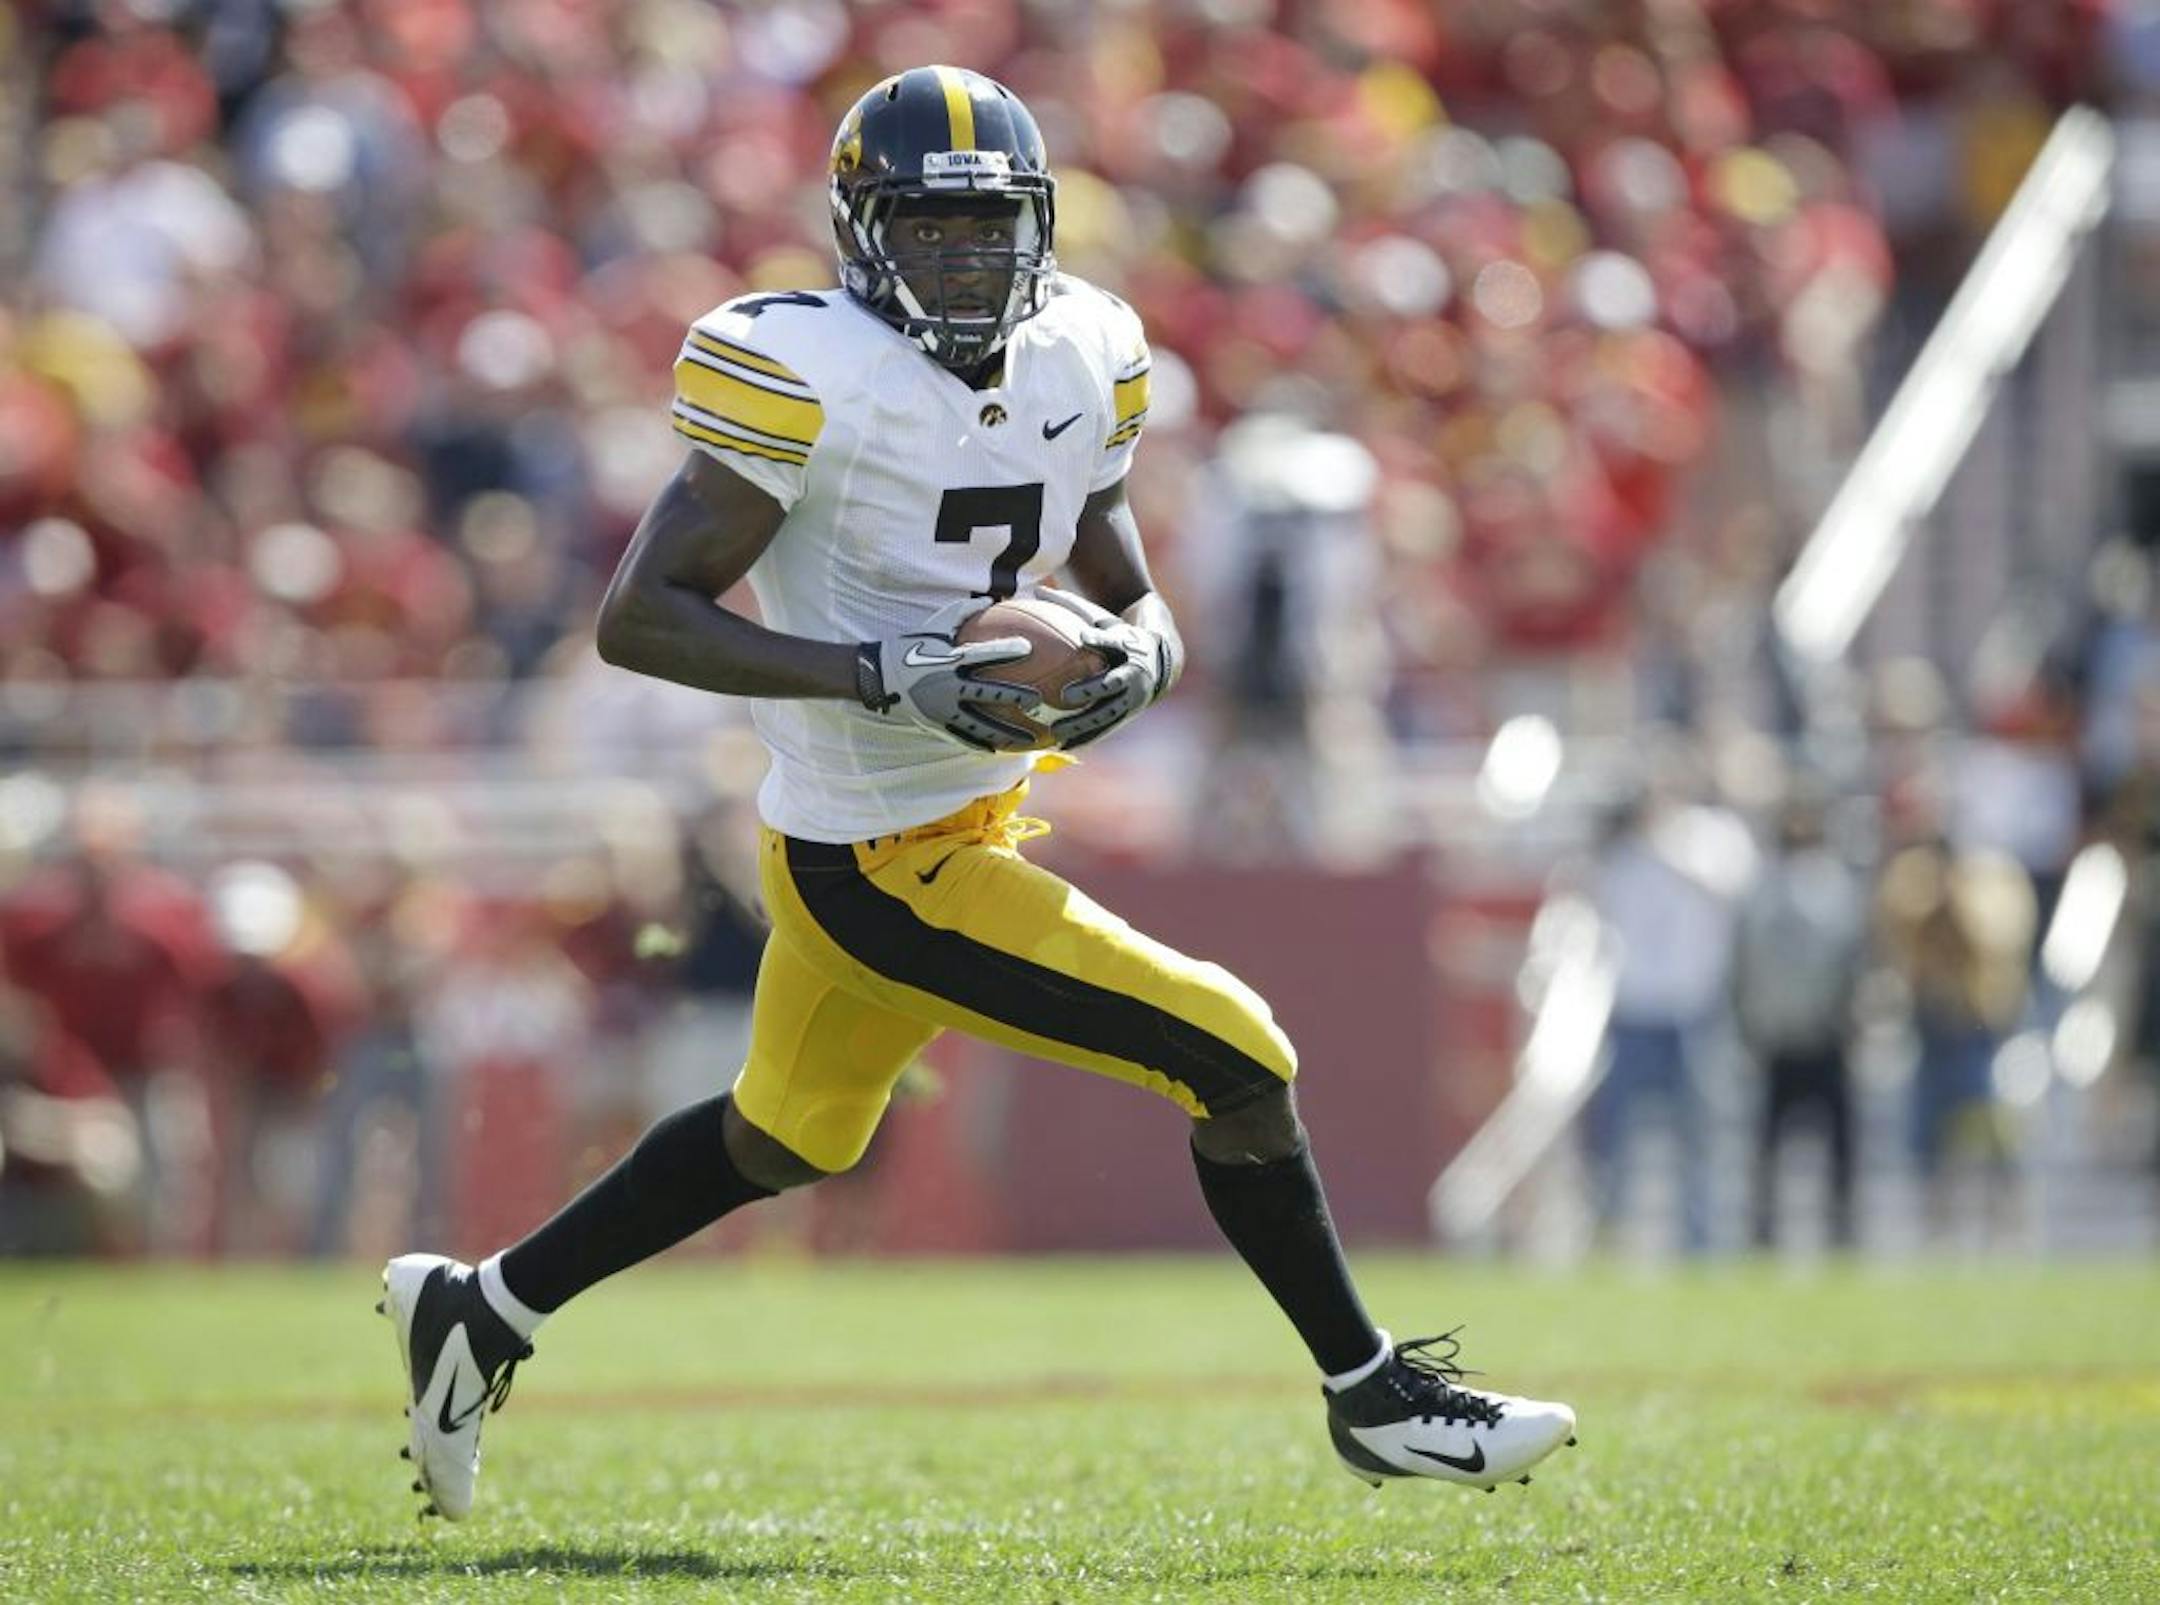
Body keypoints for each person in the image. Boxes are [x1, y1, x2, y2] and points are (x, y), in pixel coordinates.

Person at [378, 66, 1575, 1522]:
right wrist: (878, 670)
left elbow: (1124, 570)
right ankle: (1372, 1391)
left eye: (993, 230)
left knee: (784, 1135)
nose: (968, 259)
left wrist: (1148, 652)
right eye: (931, 232)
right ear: (859, 235)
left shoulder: (1081, 349)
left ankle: (481, 1308)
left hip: (950, 822)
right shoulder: (812, 370)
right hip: (877, 859)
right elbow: (641, 617)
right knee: (1241, 1057)